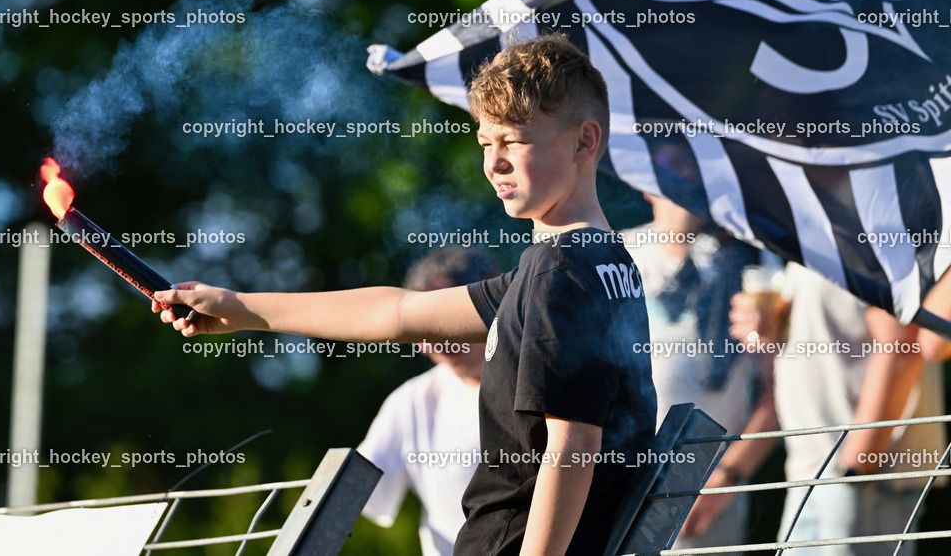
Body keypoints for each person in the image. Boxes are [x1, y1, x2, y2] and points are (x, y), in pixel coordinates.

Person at [153, 33, 658, 555]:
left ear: (585, 141)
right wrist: (237, 309)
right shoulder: (599, 263)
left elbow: (573, 445)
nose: (494, 163)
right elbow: (400, 312)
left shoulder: (561, 272)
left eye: (515, 141)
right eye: (486, 143)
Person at [730, 263, 946, 556]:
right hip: (813, 471)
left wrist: (855, 468)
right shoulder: (812, 234)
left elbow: (901, 345)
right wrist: (766, 328)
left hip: (856, 478)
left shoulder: (869, 229)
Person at [625, 194, 778, 549]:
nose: (686, 180)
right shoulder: (617, 254)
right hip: (621, 477)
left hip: (705, 486)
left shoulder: (750, 261)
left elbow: (781, 392)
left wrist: (724, 479)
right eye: (673, 162)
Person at [357, 246, 498, 556]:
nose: (428, 342)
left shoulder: (543, 382)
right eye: (421, 326)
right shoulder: (412, 401)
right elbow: (351, 495)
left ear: (490, 305)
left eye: (440, 320)